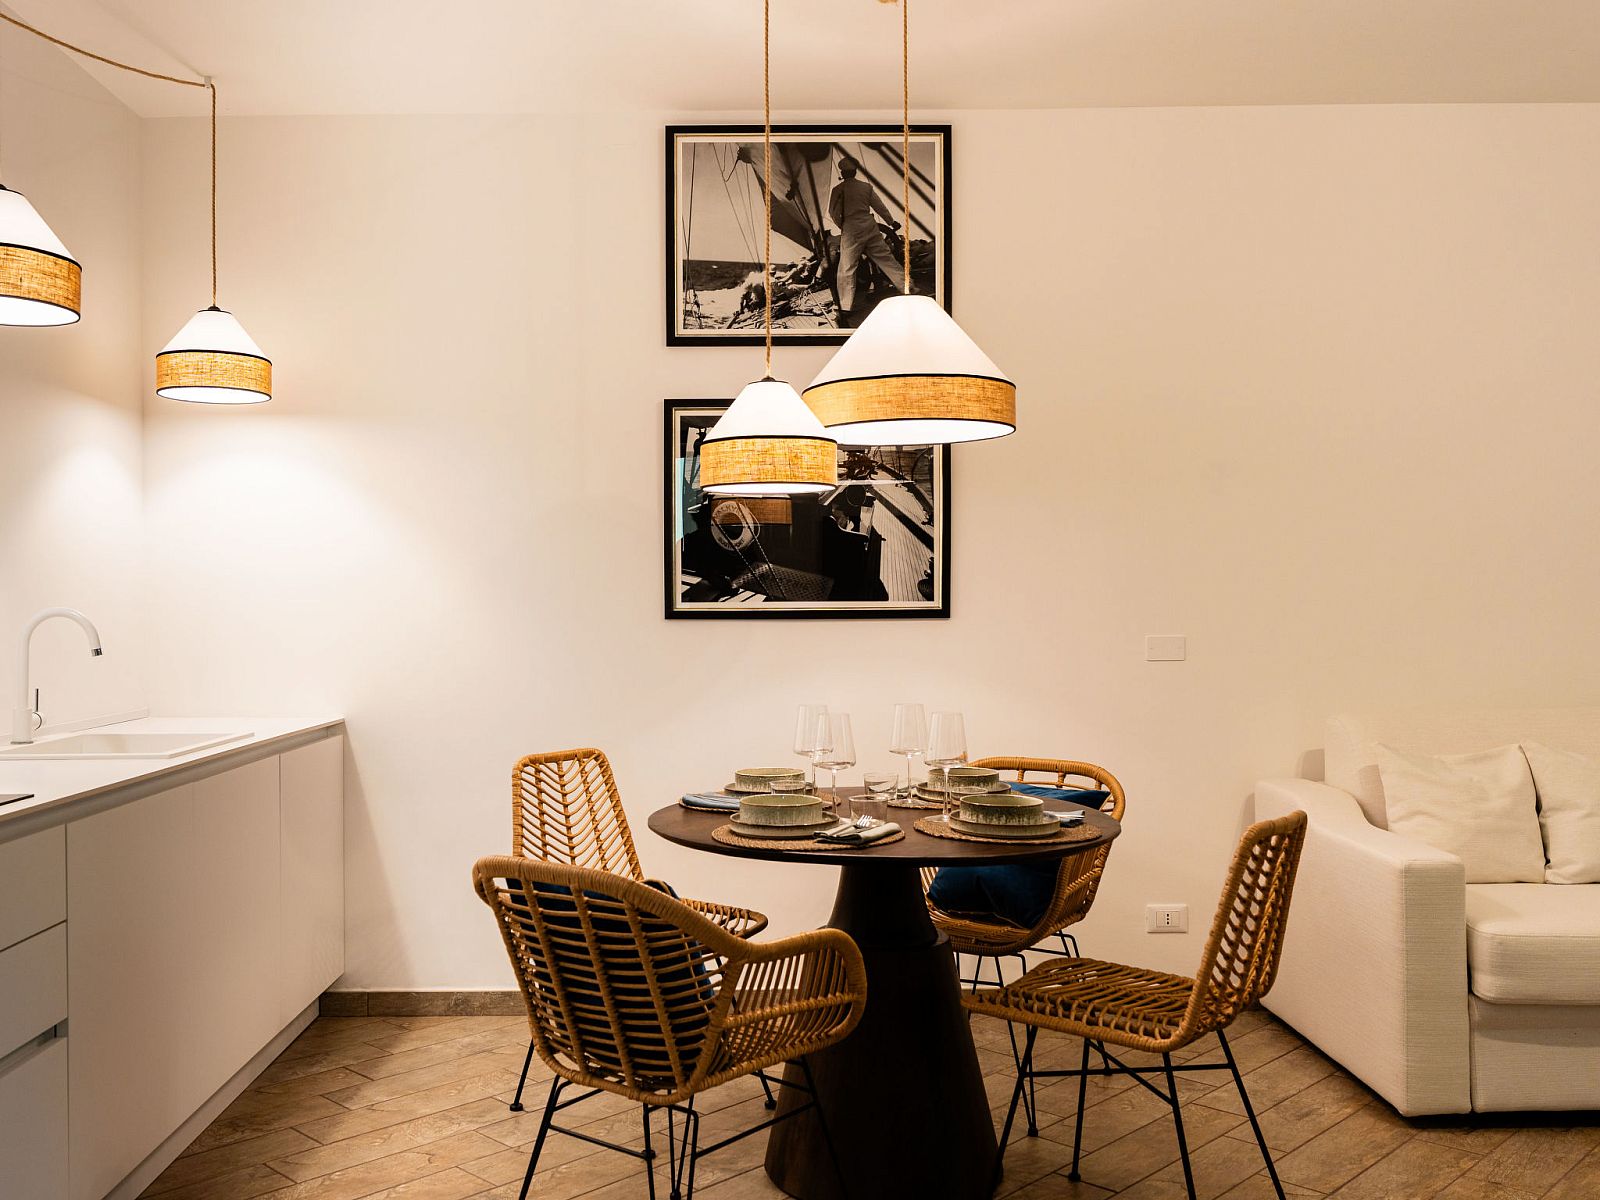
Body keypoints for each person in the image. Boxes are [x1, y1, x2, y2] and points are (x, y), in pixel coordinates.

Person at [827, 155, 905, 317]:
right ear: (855, 171)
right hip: (869, 225)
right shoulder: (866, 187)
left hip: (851, 228)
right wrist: (891, 222)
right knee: (887, 259)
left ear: (842, 173)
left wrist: (843, 225)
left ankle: (845, 306)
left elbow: (833, 212)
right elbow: (879, 207)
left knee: (847, 267)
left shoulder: (838, 190)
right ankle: (908, 288)